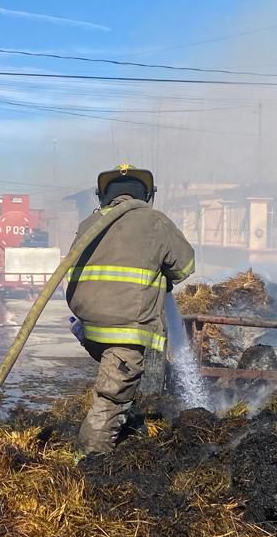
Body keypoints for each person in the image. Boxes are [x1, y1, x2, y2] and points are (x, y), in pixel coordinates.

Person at [66, 164, 196, 455]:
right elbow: (186, 265)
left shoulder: (89, 223)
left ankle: (122, 419)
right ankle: (90, 460)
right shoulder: (154, 221)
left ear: (104, 195)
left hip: (87, 325)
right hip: (126, 327)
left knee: (117, 379)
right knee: (111, 398)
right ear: (147, 194)